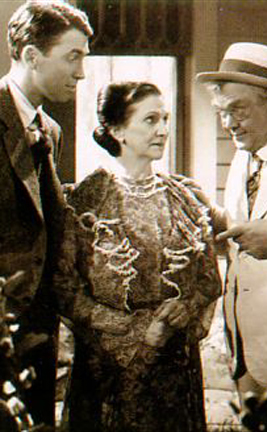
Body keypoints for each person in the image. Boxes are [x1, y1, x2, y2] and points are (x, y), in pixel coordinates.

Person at [53, 81, 222, 432]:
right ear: (117, 130)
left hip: (173, 370)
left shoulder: (183, 198)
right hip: (107, 370)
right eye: (150, 120)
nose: (163, 130)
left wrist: (184, 307)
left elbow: (208, 280)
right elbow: (64, 288)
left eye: (165, 119)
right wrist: (137, 330)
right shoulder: (89, 198)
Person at [0, 0, 93, 427]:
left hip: (38, 334)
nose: (81, 72)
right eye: (72, 57)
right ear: (32, 56)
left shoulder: (49, 130)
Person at [197, 42, 267, 431]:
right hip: (248, 354)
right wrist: (217, 218)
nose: (228, 123)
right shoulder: (246, 154)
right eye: (222, 112)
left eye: (238, 109)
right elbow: (248, 224)